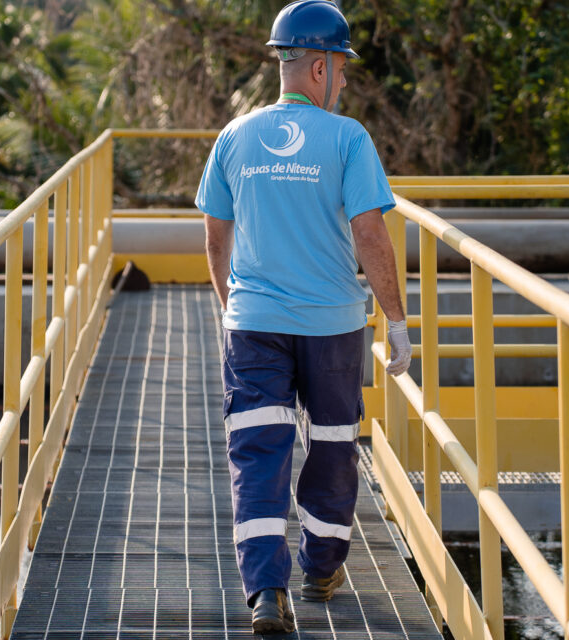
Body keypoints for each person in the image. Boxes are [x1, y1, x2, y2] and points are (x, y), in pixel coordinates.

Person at [194, 0, 411, 633]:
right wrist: (396, 321)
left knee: (258, 452)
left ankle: (267, 591)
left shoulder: (234, 136)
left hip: (254, 325)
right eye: (342, 68)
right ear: (320, 67)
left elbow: (215, 236)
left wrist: (232, 308)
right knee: (333, 447)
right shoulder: (347, 139)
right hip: (333, 327)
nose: (343, 81)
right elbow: (369, 233)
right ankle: (321, 569)